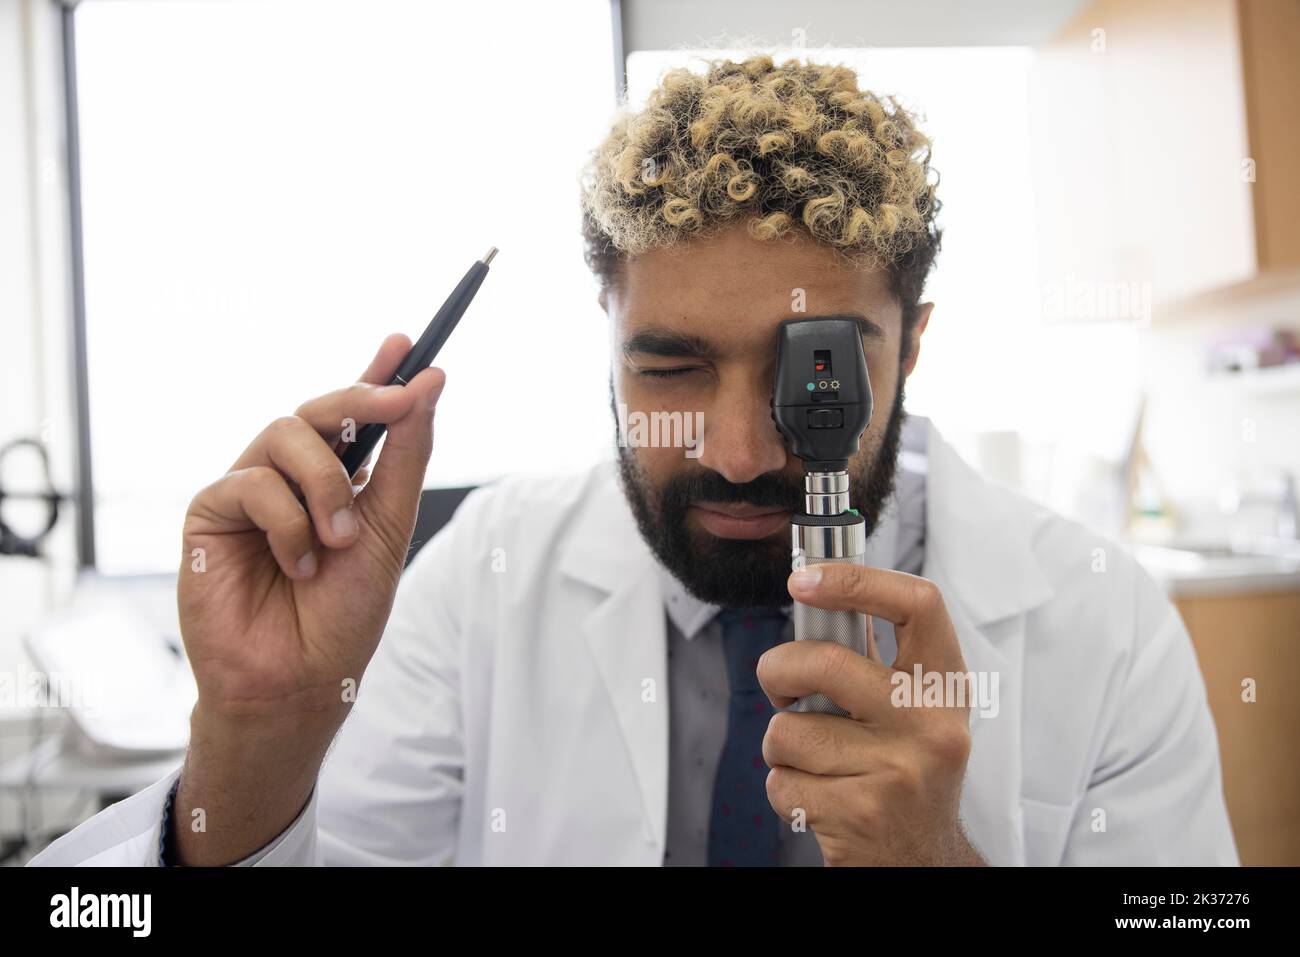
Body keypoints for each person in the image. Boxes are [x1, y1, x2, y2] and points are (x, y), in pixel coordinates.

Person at [32, 55, 1236, 867]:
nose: (738, 451)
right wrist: (255, 744)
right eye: (667, 368)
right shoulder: (478, 581)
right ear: (604, 345)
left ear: (912, 342)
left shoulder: (1104, 620)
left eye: (811, 368)